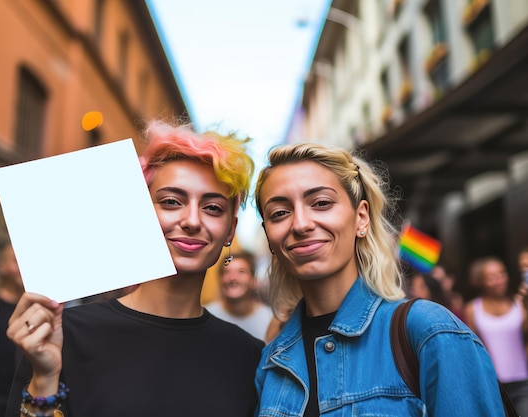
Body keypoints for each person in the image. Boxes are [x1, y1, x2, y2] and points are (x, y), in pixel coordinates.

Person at [4, 120, 263, 417]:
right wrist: (45, 380)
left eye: (213, 208)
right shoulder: (63, 336)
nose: (192, 220)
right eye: (171, 202)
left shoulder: (249, 356)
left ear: (230, 229)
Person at [253, 143, 505, 416]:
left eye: (321, 203)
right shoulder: (272, 362)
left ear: (361, 218)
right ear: (269, 235)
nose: (301, 224)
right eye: (279, 213)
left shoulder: (429, 331)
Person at [464, 256, 528, 416]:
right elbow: (472, 349)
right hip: (492, 383)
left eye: (501, 274)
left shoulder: (519, 304)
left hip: (522, 382)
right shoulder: (472, 309)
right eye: (491, 277)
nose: (499, 280)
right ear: (480, 281)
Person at [0, 243, 25, 417]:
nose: (23, 268)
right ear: (2, 266)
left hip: (22, 394)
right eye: (17, 261)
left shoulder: (34, 307)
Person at [205, 250, 272, 341]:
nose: (233, 278)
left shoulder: (269, 319)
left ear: (254, 281)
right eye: (227, 272)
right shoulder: (206, 315)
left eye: (241, 272)